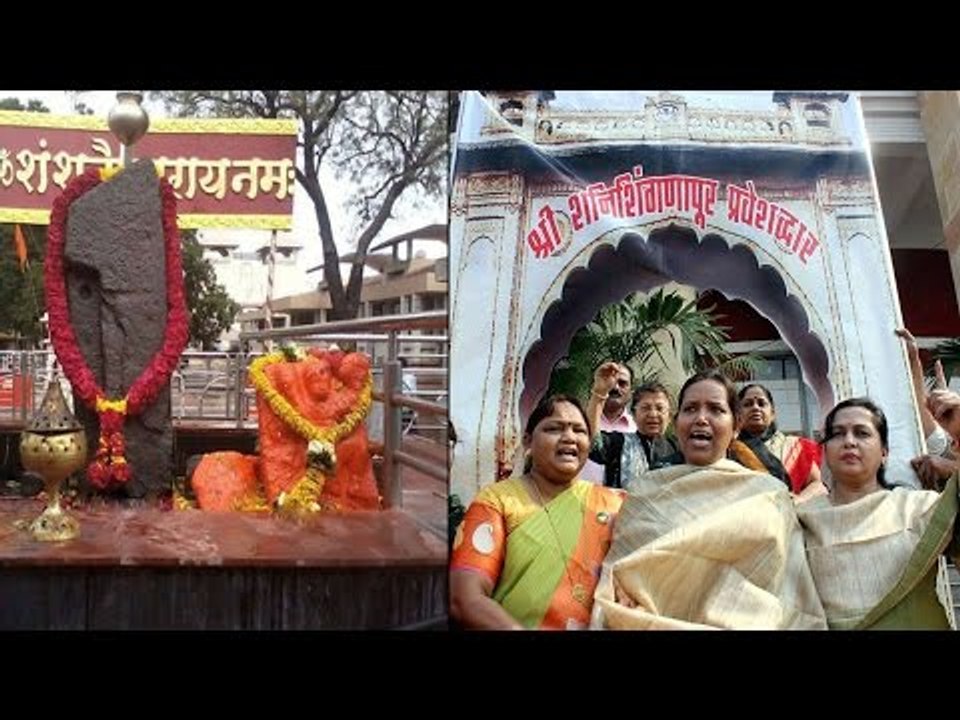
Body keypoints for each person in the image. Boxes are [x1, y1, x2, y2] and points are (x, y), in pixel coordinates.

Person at [591, 371, 828, 629]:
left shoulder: (769, 495)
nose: (701, 418)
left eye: (716, 409)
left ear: (736, 426)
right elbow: (617, 576)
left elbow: (790, 591)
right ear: (677, 421)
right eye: (690, 408)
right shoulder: (644, 493)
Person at [449, 394, 623, 630]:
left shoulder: (615, 505)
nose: (569, 437)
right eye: (554, 428)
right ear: (528, 441)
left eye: (579, 431)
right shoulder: (497, 501)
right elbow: (465, 598)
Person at [797, 397, 960, 629]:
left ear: (884, 452)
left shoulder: (918, 508)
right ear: (824, 450)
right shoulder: (799, 519)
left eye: (862, 433)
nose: (849, 441)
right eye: (837, 433)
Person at [587, 362, 679, 490]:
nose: (653, 414)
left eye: (660, 408)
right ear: (634, 415)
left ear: (669, 416)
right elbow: (592, 443)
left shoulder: (679, 448)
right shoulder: (620, 443)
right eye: (645, 408)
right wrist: (599, 393)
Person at [731, 383, 824, 502]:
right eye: (748, 404)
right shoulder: (728, 449)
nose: (755, 407)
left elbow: (817, 484)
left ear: (773, 413)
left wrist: (798, 500)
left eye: (761, 403)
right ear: (738, 414)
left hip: (791, 516)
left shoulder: (796, 446)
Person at [580, 362, 636, 484]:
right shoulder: (578, 421)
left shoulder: (636, 430)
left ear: (631, 392)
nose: (615, 387)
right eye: (609, 381)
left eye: (622, 383)